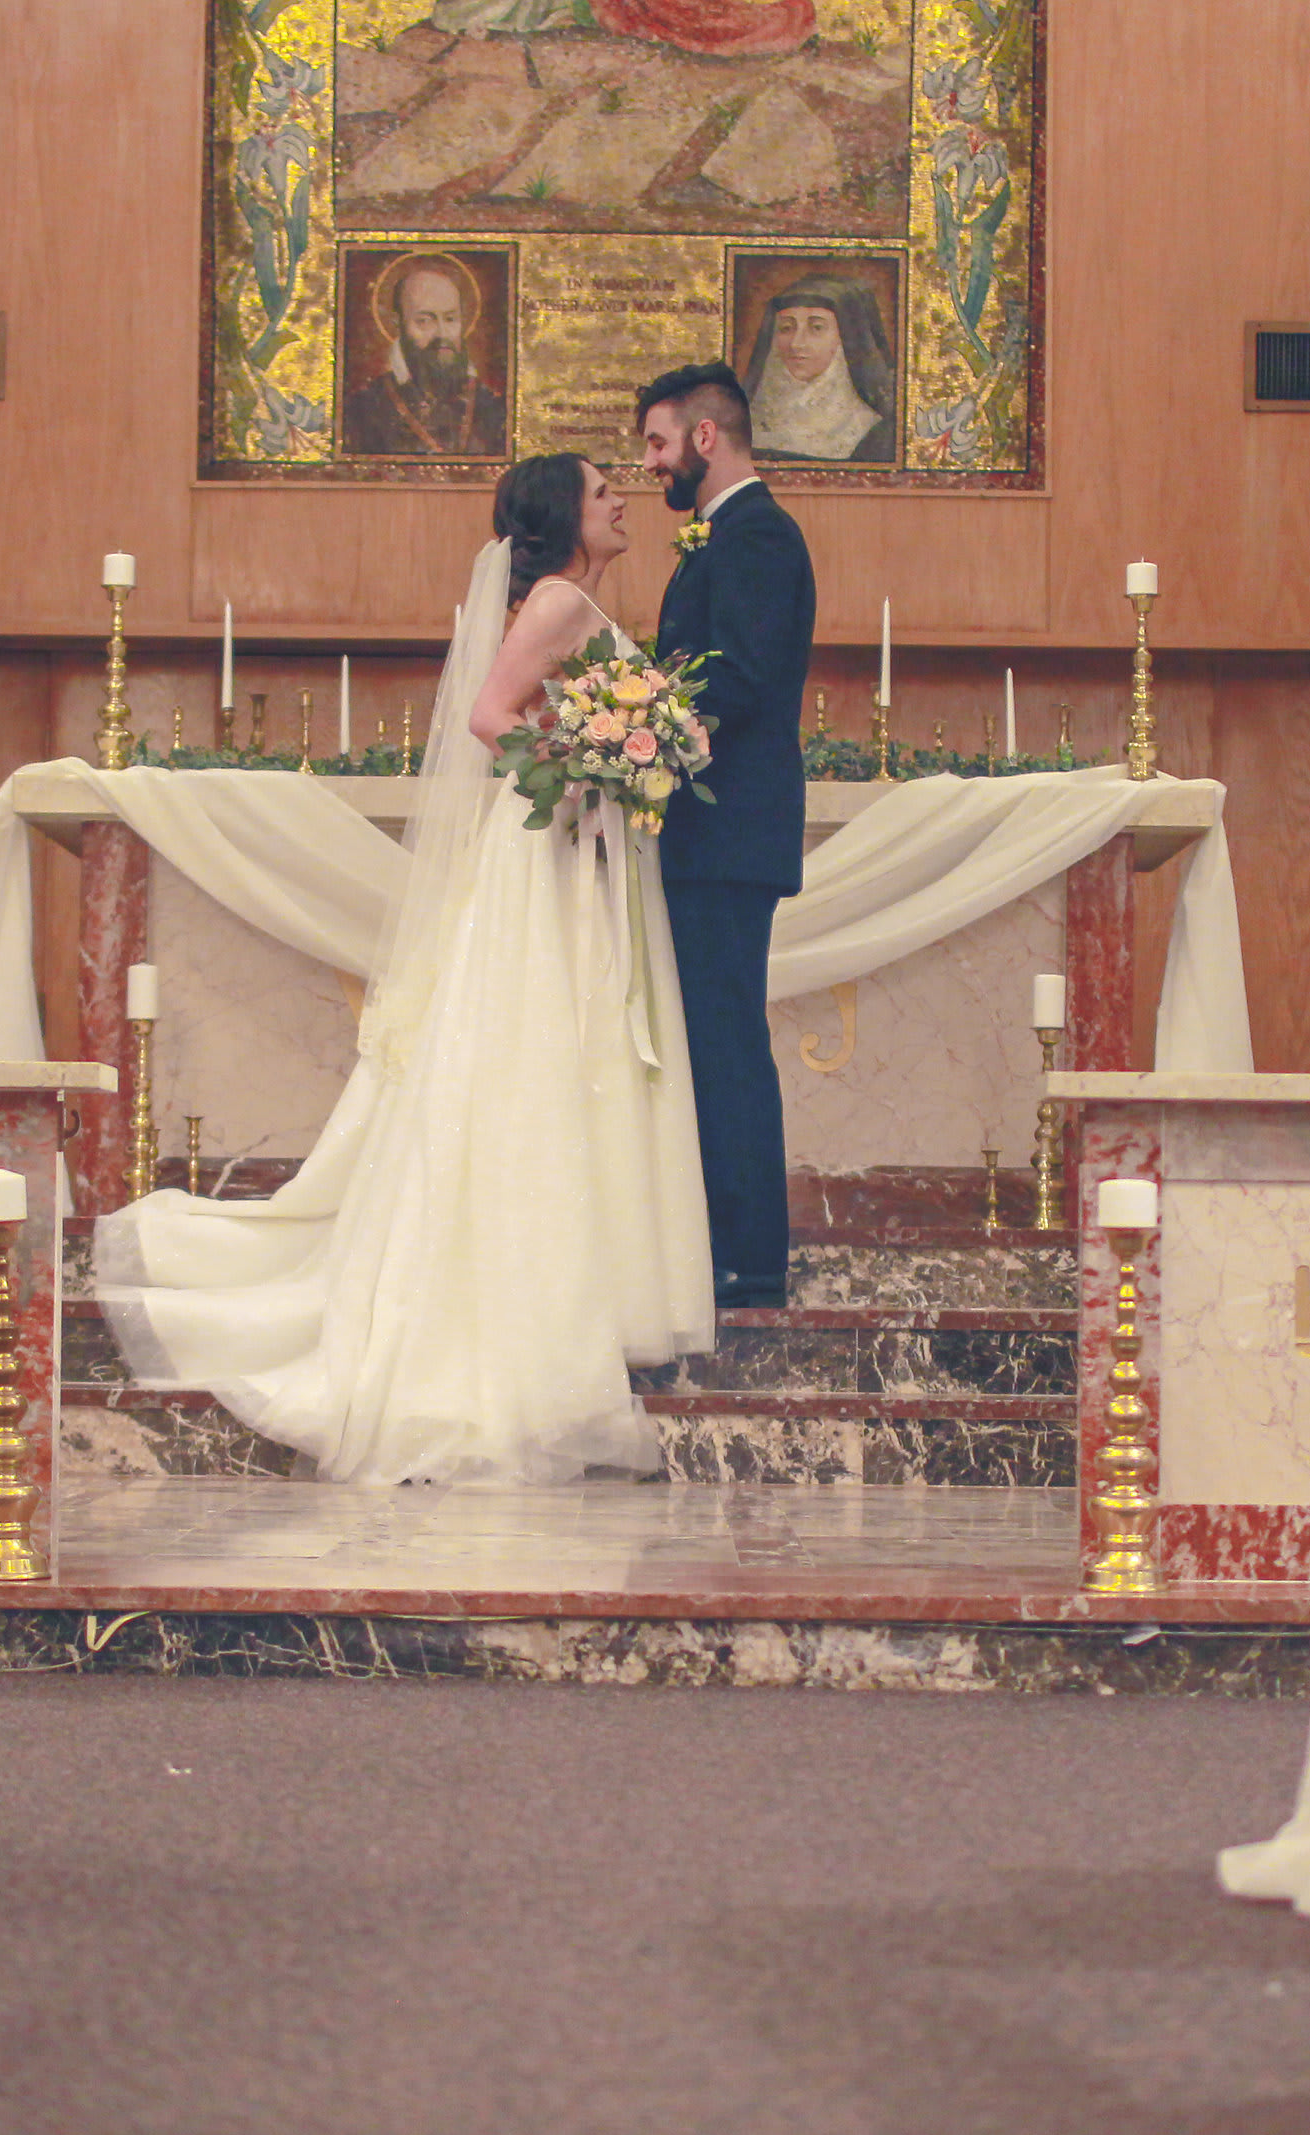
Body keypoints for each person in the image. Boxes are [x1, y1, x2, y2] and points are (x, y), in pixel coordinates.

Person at [86, 455, 714, 1484]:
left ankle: (563, 1298)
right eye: (602, 489)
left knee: (556, 1061)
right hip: (542, 853)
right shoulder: (559, 602)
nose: (619, 500)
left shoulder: (578, 603)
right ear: (564, 515)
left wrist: (625, 751)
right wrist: (586, 765)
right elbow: (490, 714)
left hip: (569, 851)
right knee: (534, 1060)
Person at [636, 359, 813, 1310]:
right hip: (712, 832)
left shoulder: (755, 535)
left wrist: (635, 716)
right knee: (710, 1038)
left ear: (705, 437)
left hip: (728, 830)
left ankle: (749, 1257)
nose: (651, 464)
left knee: (726, 1040)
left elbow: (737, 675)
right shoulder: (726, 533)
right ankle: (720, 1243)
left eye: (658, 443)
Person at [340, 255, 509, 460]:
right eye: (424, 321)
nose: (442, 334)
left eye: (450, 319)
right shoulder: (363, 409)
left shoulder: (494, 407)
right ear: (397, 323)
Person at [743, 274, 898, 464]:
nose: (796, 344)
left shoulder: (875, 432)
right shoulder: (745, 423)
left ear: (845, 338)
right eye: (786, 328)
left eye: (816, 328)